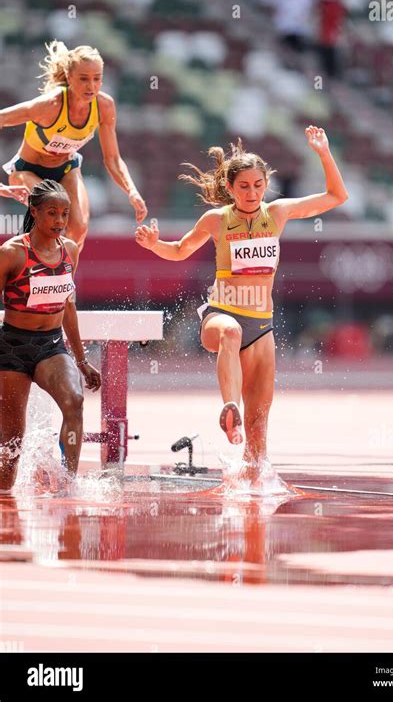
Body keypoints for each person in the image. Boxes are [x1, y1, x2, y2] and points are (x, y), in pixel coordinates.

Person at [135, 126, 349, 486]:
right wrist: (154, 244)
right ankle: (228, 406)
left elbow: (336, 195)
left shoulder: (277, 213)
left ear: (266, 184)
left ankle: (253, 479)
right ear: (230, 188)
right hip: (221, 316)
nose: (252, 192)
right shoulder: (217, 220)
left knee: (260, 421)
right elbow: (179, 250)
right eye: (244, 186)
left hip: (262, 324)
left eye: (258, 185)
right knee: (231, 333)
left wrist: (324, 152)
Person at [0, 179, 101, 492]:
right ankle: (5, 500)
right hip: (12, 348)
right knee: (12, 439)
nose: (60, 221)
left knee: (75, 401)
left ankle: (67, 484)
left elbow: (69, 304)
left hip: (51, 347)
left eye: (65, 214)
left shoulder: (70, 250)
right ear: (35, 212)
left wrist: (82, 360)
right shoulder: (12, 253)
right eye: (52, 213)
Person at [0, 40, 147, 252]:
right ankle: (28, 262)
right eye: (84, 79)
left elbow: (112, 158)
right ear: (69, 78)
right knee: (54, 205)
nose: (91, 86)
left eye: (97, 79)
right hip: (27, 171)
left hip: (66, 168)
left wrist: (131, 192)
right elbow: (3, 117)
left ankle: (66, 284)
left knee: (78, 229)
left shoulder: (104, 106)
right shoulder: (50, 105)